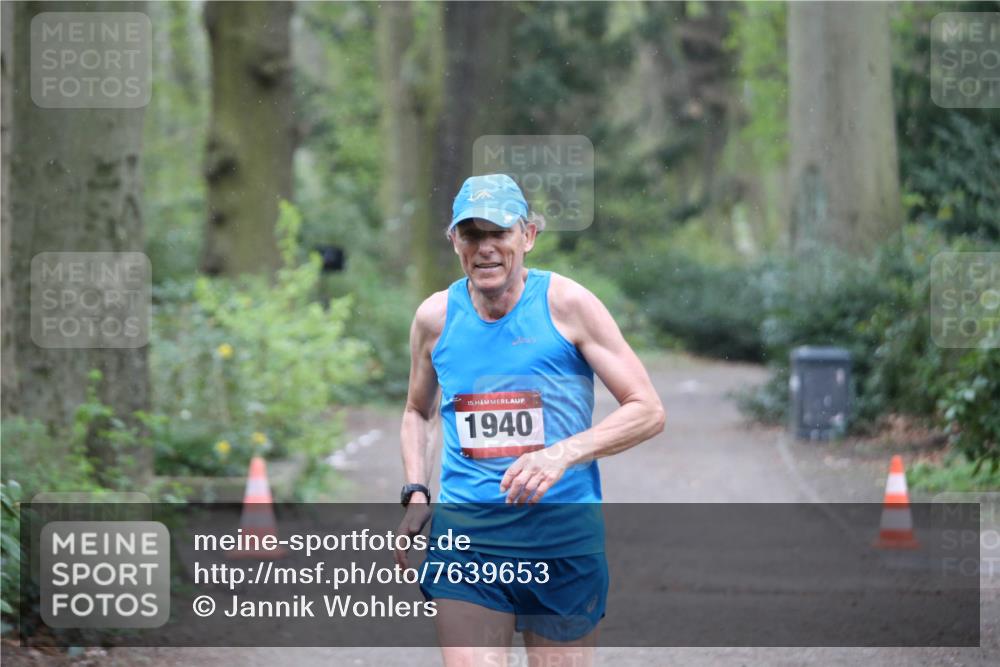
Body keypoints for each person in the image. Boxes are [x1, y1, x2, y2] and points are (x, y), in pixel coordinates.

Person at [395, 173, 665, 666]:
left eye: (499, 232)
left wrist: (562, 453)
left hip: (561, 543)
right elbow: (418, 411)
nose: (486, 248)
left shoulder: (568, 306)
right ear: (454, 240)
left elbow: (646, 409)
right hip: (467, 543)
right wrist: (416, 490)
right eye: (471, 234)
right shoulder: (436, 318)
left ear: (528, 236)